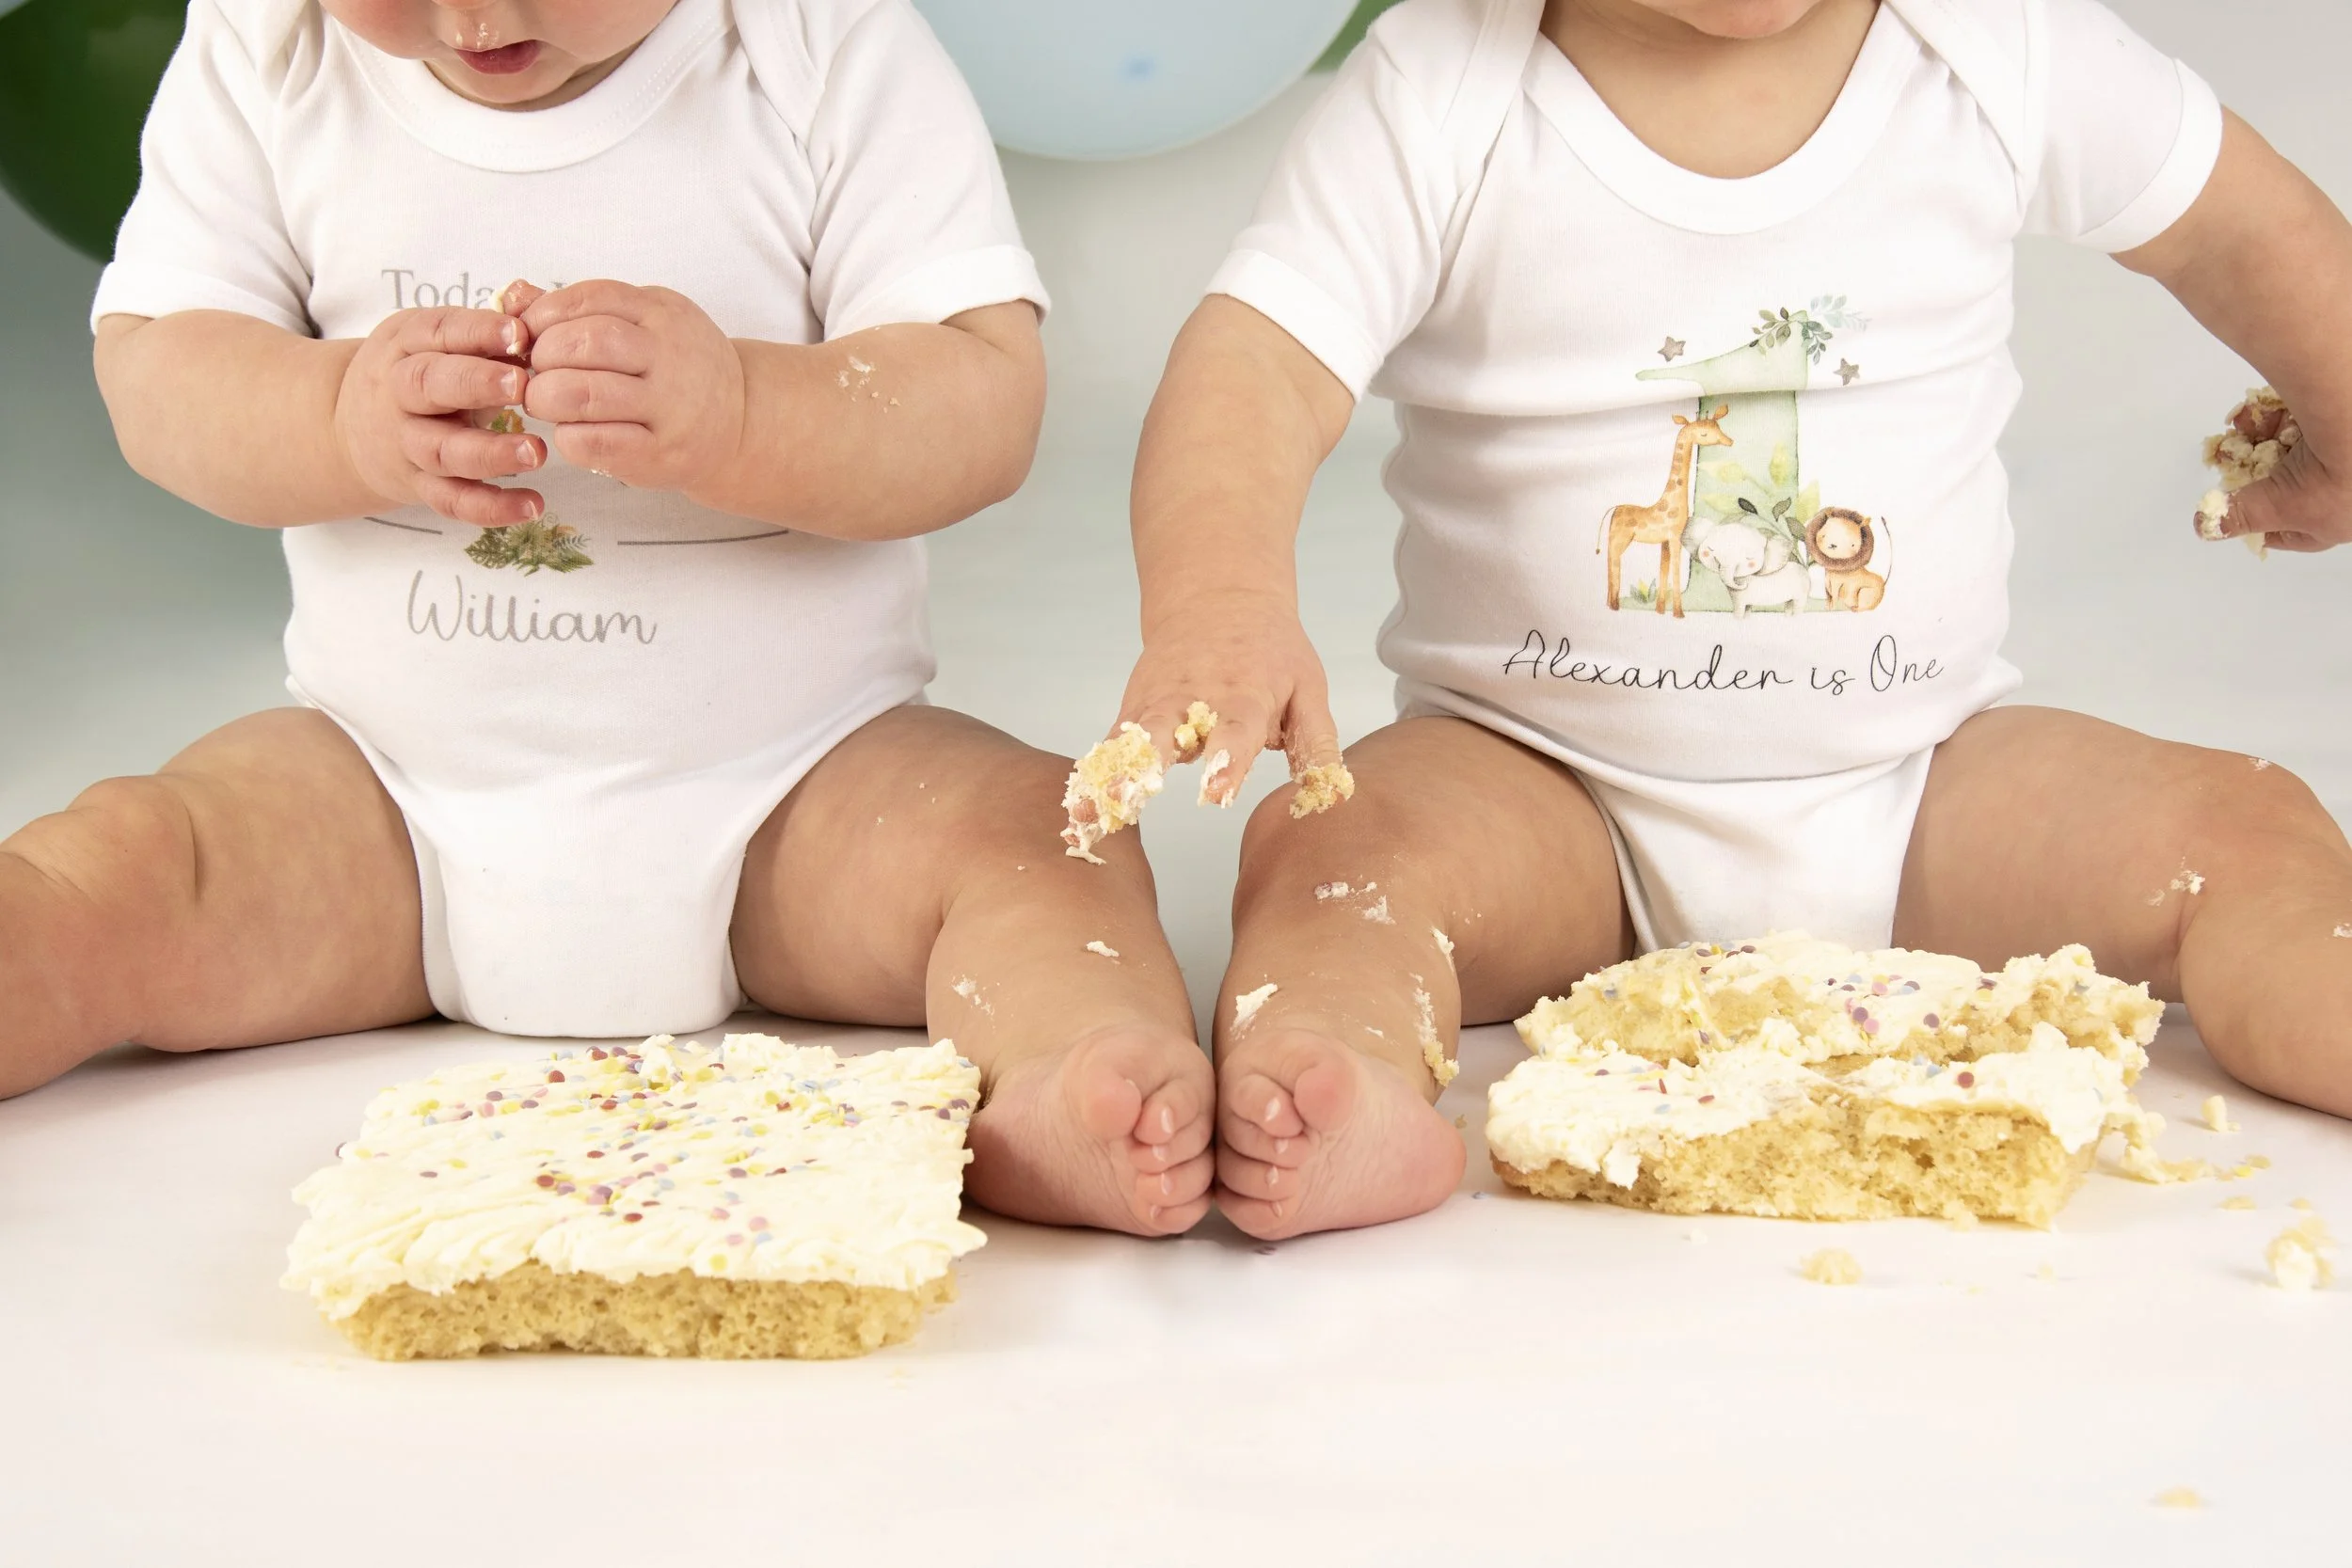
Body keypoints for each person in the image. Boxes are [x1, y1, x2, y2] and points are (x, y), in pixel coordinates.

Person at [1110, 0, 2352, 1238]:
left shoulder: (1997, 44)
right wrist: (1223, 602)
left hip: (1925, 789)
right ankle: (1338, 1076)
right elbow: (1259, 365)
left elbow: (2241, 229)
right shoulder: (1440, 89)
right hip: (1538, 791)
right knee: (1336, 855)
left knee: (2248, 826)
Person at [0, 0, 1216, 1237]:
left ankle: (1062, 1080)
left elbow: (980, 397)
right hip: (380, 797)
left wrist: (746, 407)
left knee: (1044, 841)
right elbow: (157, 372)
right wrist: (334, 417)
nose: (470, 15)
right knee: (136, 864)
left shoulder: (821, 45)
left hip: (801, 789)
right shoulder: (268, 49)